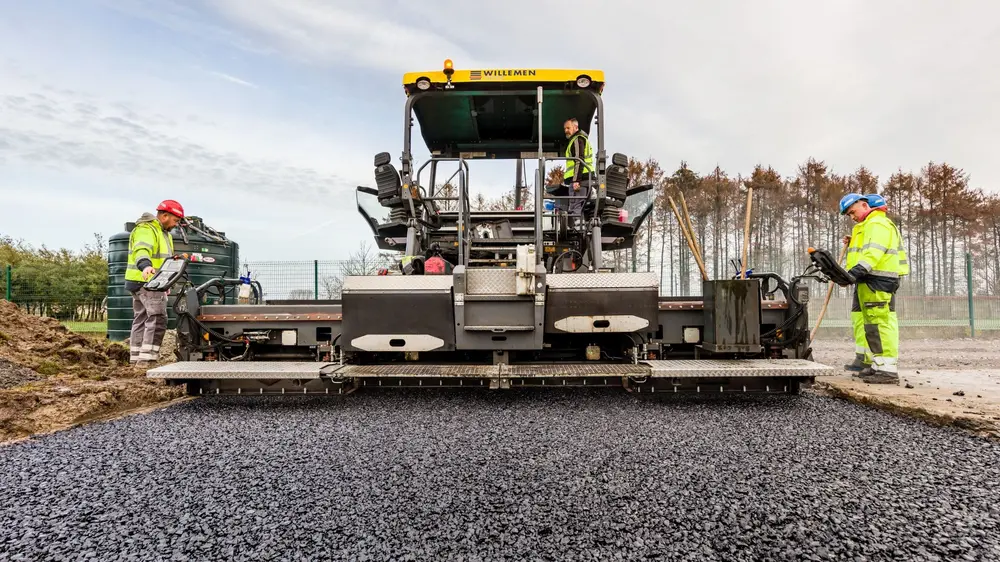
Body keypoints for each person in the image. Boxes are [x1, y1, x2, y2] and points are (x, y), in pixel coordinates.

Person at [837, 193, 904, 384]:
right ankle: (878, 364)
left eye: (853, 212)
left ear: (865, 205)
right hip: (871, 279)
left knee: (880, 323)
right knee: (872, 323)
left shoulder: (877, 224)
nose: (852, 217)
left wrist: (854, 273)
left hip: (878, 280)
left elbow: (874, 253)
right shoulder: (869, 226)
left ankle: (887, 370)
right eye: (849, 215)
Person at [125, 200, 184, 366]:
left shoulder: (164, 234)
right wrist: (145, 266)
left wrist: (167, 283)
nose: (176, 224)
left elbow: (166, 262)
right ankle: (147, 360)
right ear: (164, 216)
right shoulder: (147, 229)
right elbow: (141, 250)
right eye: (175, 220)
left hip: (149, 282)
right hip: (148, 281)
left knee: (141, 319)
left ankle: (136, 359)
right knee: (157, 318)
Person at [560, 117, 595, 228]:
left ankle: (579, 230)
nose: (566, 130)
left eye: (568, 128)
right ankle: (583, 228)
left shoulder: (577, 140)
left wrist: (576, 180)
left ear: (575, 127)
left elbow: (579, 160)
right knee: (582, 206)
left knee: (575, 207)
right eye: (565, 129)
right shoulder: (581, 139)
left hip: (580, 180)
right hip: (586, 178)